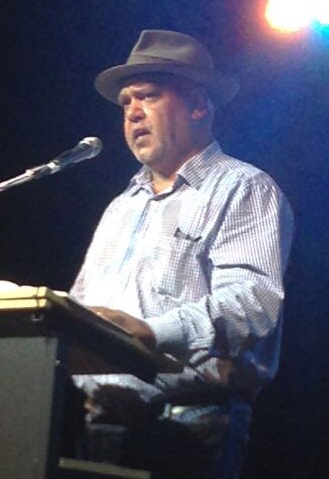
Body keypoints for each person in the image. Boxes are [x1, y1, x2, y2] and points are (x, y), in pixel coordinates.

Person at [68, 30, 295, 478]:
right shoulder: (122, 205)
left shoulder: (243, 188)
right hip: (98, 426)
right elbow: (83, 306)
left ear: (197, 106)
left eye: (148, 97)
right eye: (126, 103)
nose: (132, 112)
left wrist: (151, 332)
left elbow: (252, 304)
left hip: (187, 428)